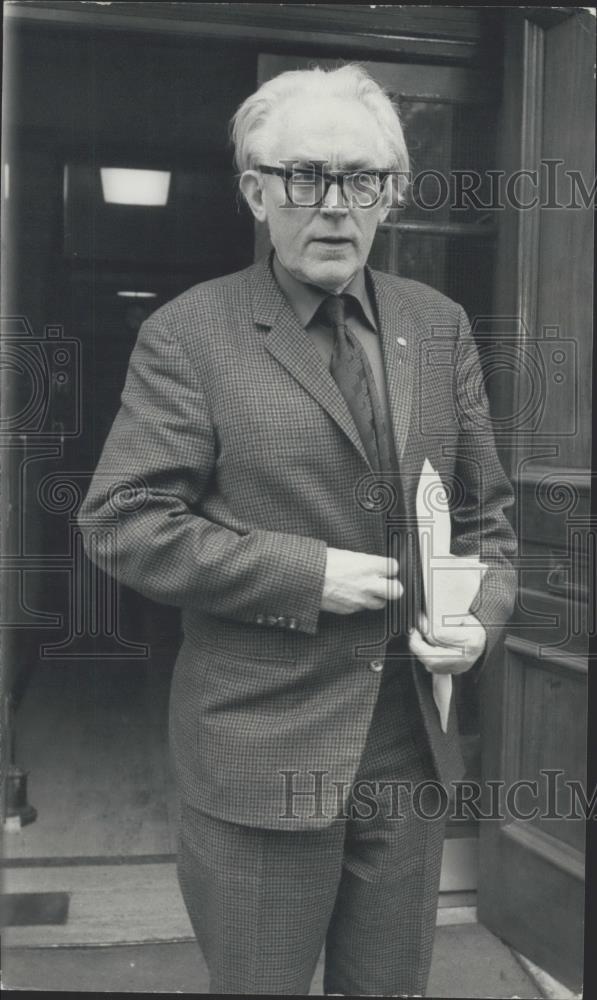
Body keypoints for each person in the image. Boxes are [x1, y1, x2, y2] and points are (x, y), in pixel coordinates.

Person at [78, 64, 517, 996]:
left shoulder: (436, 326)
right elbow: (122, 521)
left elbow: (485, 519)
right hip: (259, 756)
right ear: (255, 190)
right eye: (303, 177)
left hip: (407, 749)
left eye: (361, 180)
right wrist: (302, 574)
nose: (333, 206)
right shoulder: (191, 335)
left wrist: (481, 617)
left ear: (391, 195)